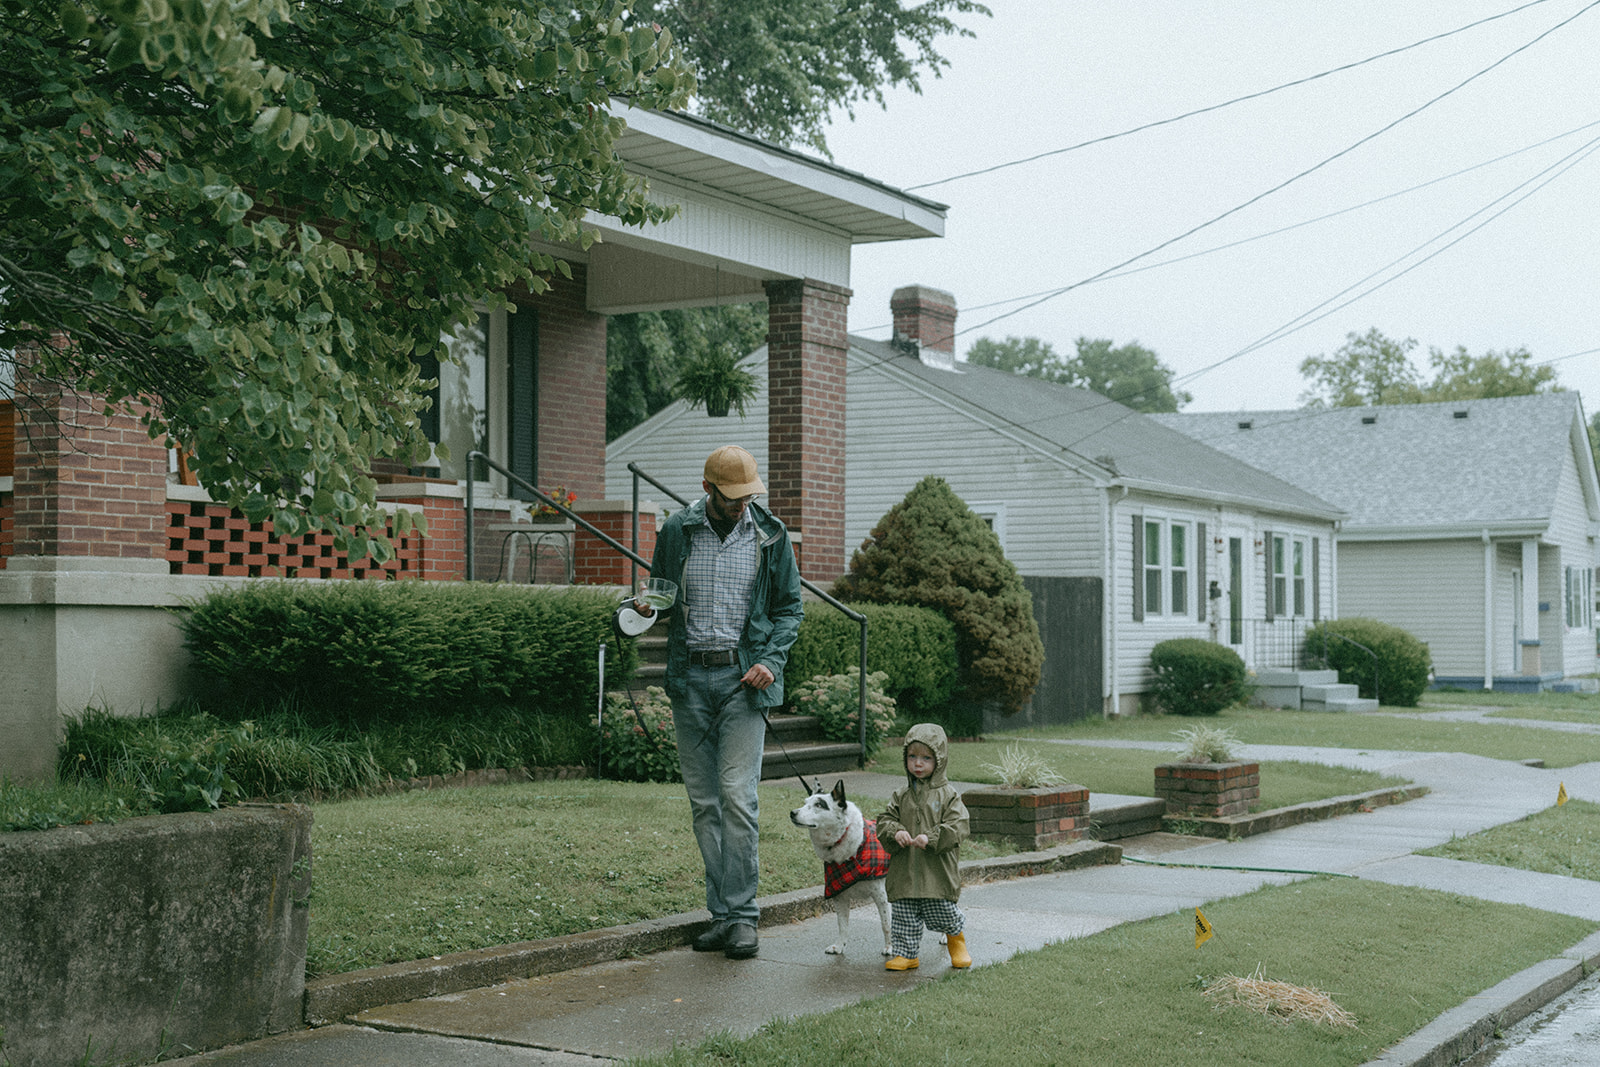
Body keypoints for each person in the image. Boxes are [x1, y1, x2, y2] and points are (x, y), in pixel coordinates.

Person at [642, 445, 804, 960]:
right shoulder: (676, 531)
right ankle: (721, 915)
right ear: (708, 489)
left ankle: (744, 917)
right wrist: (643, 606)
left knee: (739, 798)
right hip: (691, 681)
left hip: (743, 683)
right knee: (704, 804)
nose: (742, 505)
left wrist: (772, 660)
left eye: (747, 496)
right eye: (732, 497)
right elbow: (661, 594)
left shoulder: (770, 535)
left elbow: (789, 609)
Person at [876, 723, 972, 971]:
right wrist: (895, 831)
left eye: (926, 758)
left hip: (937, 871)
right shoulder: (901, 795)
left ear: (939, 761)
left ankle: (956, 939)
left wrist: (931, 837)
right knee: (904, 915)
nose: (918, 763)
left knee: (943, 910)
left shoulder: (949, 795)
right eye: (912, 756)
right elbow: (885, 819)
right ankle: (906, 954)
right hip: (905, 869)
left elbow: (958, 825)